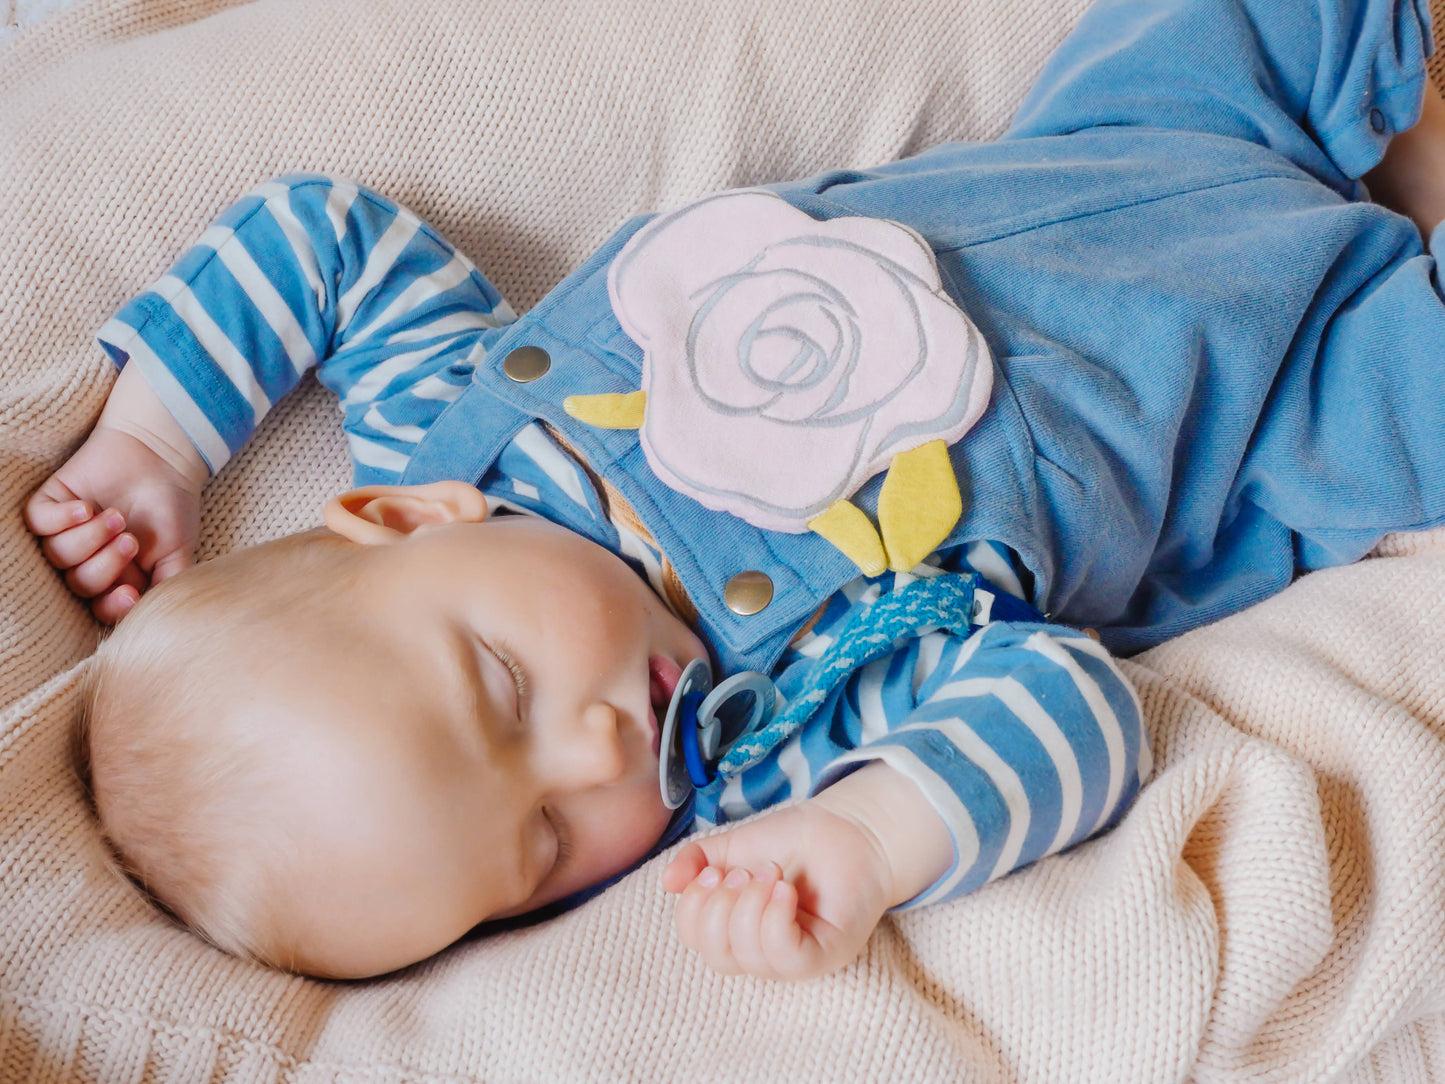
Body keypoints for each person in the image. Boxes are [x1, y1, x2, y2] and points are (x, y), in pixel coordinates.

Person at [25, 0, 1445, 981]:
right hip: (1267, 405)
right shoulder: (780, 734)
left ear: (402, 524)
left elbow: (320, 236)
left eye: (504, 691)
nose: (590, 763)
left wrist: (158, 444)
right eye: (534, 851)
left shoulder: (448, 437)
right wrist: (869, 836)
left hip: (1106, 147)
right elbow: (1063, 711)